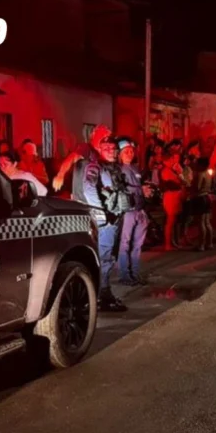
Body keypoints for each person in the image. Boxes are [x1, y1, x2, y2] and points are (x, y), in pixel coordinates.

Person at [79, 126, 128, 312]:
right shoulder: (94, 167)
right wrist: (99, 214)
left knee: (110, 257)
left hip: (115, 217)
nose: (113, 152)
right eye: (108, 149)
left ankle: (104, 293)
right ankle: (100, 295)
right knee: (104, 258)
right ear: (100, 149)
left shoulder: (114, 168)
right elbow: (89, 189)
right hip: (106, 220)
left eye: (115, 150)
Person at [116, 138, 150, 286]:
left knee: (137, 245)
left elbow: (140, 186)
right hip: (128, 211)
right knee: (125, 244)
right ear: (120, 154)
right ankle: (125, 275)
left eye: (131, 151)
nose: (129, 154)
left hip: (140, 210)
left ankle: (135, 274)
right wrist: (139, 190)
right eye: (126, 151)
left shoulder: (136, 169)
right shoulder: (118, 170)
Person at [160, 151, 187, 251]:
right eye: (171, 159)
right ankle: (167, 244)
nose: (173, 161)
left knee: (174, 221)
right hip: (171, 197)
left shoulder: (172, 170)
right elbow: (176, 184)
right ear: (165, 161)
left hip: (176, 196)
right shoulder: (166, 171)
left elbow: (183, 182)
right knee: (170, 221)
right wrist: (179, 176)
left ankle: (173, 241)